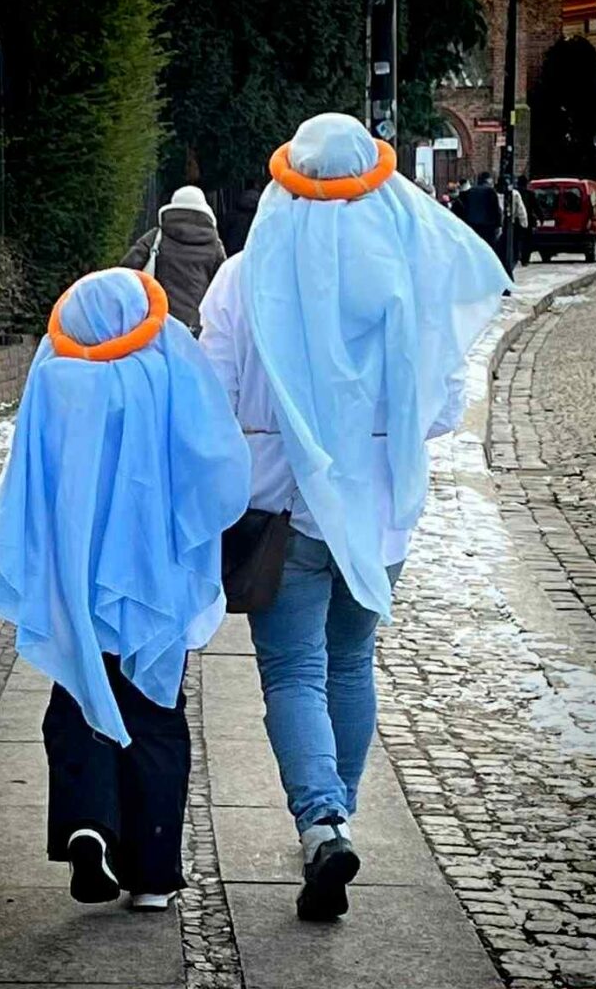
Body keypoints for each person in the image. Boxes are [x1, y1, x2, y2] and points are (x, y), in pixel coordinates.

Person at [199, 113, 510, 923]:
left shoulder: (242, 278)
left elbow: (212, 400)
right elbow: (443, 410)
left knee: (293, 673)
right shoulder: (407, 275)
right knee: (350, 664)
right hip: (377, 517)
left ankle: (321, 823)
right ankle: (339, 817)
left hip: (282, 516)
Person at [0, 268, 250, 911]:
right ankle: (152, 875)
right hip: (154, 570)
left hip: (75, 573)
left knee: (79, 693)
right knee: (155, 711)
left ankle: (88, 824)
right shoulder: (164, 373)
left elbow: (26, 475)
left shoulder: (54, 378)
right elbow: (214, 461)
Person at [121, 186, 226, 336]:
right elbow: (223, 284)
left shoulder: (157, 236)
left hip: (158, 318)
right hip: (196, 322)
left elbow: (126, 270)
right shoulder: (214, 244)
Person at [461, 171, 502, 250]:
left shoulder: (470, 191)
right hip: (488, 226)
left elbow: (466, 208)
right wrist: (499, 224)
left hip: (473, 224)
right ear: (488, 180)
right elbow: (496, 209)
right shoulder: (490, 191)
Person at [219, 186, 261, 255]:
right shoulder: (257, 218)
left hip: (231, 250)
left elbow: (222, 231)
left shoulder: (231, 215)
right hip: (248, 251)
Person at [517, 175, 541, 266]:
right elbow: (536, 207)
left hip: (516, 221)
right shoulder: (530, 194)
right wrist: (541, 217)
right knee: (527, 241)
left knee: (518, 240)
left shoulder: (515, 193)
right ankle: (525, 259)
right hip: (528, 221)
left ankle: (518, 256)